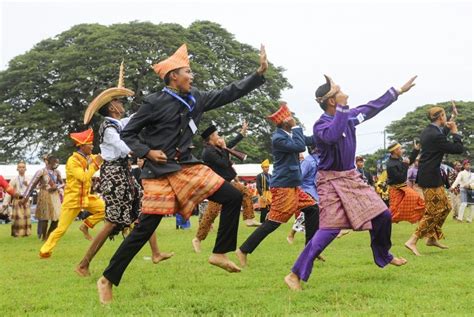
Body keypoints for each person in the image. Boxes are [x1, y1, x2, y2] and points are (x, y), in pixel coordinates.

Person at [96, 43, 268, 304]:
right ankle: (107, 279)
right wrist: (147, 152)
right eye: (188, 71)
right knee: (144, 229)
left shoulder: (196, 98)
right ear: (173, 76)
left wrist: (257, 74)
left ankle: (220, 253)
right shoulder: (153, 103)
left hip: (187, 166)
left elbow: (228, 93)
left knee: (233, 196)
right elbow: (128, 134)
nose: (192, 76)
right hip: (158, 172)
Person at [284, 74, 416, 290]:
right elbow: (334, 135)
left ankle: (383, 254)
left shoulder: (350, 116)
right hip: (330, 182)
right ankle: (294, 274)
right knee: (329, 230)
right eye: (340, 92)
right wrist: (344, 109)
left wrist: (397, 92)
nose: (346, 93)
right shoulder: (321, 126)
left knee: (383, 215)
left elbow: (371, 107)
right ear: (332, 101)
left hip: (351, 178)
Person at [76, 62, 173, 277]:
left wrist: (155, 105)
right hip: (114, 176)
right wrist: (145, 151)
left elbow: (136, 119)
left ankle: (156, 253)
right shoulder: (109, 128)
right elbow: (125, 146)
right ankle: (83, 264)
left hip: (124, 174)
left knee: (146, 211)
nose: (122, 104)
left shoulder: (118, 123)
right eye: (119, 101)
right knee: (111, 223)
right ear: (112, 107)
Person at [236, 102, 319, 267]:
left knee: (313, 209)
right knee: (274, 222)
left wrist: (329, 131)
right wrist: (296, 128)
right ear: (284, 121)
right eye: (290, 117)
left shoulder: (288, 135)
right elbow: (300, 145)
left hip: (292, 185)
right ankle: (243, 250)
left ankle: (310, 250)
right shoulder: (278, 138)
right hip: (283, 186)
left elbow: (309, 140)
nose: (293, 119)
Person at [192, 121, 260, 253]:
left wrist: (242, 133)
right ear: (211, 137)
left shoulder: (217, 148)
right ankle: (197, 239)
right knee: (211, 214)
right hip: (216, 187)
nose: (220, 137)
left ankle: (249, 218)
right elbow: (224, 163)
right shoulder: (208, 152)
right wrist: (224, 148)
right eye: (217, 135)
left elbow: (230, 145)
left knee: (245, 191)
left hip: (226, 183)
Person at [405, 106, 464, 256]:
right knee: (433, 211)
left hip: (431, 174)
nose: (445, 119)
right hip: (429, 176)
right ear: (440, 118)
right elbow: (457, 149)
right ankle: (412, 240)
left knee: (446, 207)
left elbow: (442, 133)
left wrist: (453, 117)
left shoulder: (428, 131)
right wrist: (455, 131)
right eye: (445, 116)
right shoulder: (435, 136)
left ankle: (432, 237)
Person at [39, 129, 105, 258]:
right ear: (82, 146)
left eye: (92, 143)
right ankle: (45, 251)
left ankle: (86, 225)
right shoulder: (72, 161)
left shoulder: (89, 157)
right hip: (73, 199)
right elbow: (84, 177)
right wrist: (95, 165)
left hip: (86, 198)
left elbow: (103, 157)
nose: (92, 146)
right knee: (61, 229)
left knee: (106, 209)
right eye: (89, 144)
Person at [22, 156, 63, 240]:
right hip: (44, 195)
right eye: (55, 162)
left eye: (57, 163)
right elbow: (32, 184)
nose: (56, 164)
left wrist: (57, 187)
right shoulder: (41, 171)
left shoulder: (57, 172)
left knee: (57, 218)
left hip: (55, 196)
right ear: (49, 162)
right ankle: (44, 236)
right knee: (44, 218)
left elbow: (63, 183)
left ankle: (49, 235)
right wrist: (26, 196)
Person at [287, 147, 321, 245]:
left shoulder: (318, 160)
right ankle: (309, 243)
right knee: (311, 213)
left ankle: (311, 244)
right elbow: (299, 178)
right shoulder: (308, 162)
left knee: (311, 215)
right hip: (307, 192)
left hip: (314, 191)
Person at [386, 141, 424, 224]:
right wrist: (405, 165)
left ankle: (423, 225)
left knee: (420, 203)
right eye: (400, 149)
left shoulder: (399, 160)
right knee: (393, 212)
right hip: (396, 189)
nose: (402, 150)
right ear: (395, 151)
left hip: (403, 188)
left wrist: (416, 150)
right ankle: (382, 223)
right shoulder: (390, 165)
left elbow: (409, 161)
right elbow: (401, 178)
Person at [4, 161, 31, 237]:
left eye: (23, 167)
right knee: (18, 218)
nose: (21, 169)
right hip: (17, 200)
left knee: (26, 217)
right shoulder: (14, 179)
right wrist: (5, 203)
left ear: (25, 169)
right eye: (20, 167)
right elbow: (8, 191)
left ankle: (27, 233)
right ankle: (17, 233)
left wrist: (27, 185)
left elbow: (32, 189)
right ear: (17, 169)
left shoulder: (29, 179)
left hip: (25, 200)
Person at [256, 159, 272, 223]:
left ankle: (268, 223)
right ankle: (262, 223)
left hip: (270, 194)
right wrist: (261, 195)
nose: (267, 168)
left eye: (267, 167)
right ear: (262, 168)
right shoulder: (259, 176)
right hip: (263, 193)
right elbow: (258, 186)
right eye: (265, 167)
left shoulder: (270, 176)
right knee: (264, 210)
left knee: (270, 209)